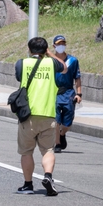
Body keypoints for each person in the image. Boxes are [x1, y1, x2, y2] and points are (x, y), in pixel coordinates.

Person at [14, 37, 67, 195]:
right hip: (48, 114)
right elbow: (64, 68)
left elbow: (18, 77)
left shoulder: (22, 63)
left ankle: (28, 185)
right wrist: (50, 55)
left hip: (27, 115)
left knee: (26, 151)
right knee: (48, 150)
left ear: (29, 50)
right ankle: (48, 176)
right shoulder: (51, 63)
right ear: (46, 50)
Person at [51, 35, 82, 153]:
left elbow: (77, 78)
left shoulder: (73, 61)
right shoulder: (51, 61)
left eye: (63, 43)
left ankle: (62, 133)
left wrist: (79, 94)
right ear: (54, 46)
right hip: (55, 92)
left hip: (69, 93)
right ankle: (57, 144)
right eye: (58, 44)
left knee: (67, 122)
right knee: (56, 120)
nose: (61, 46)